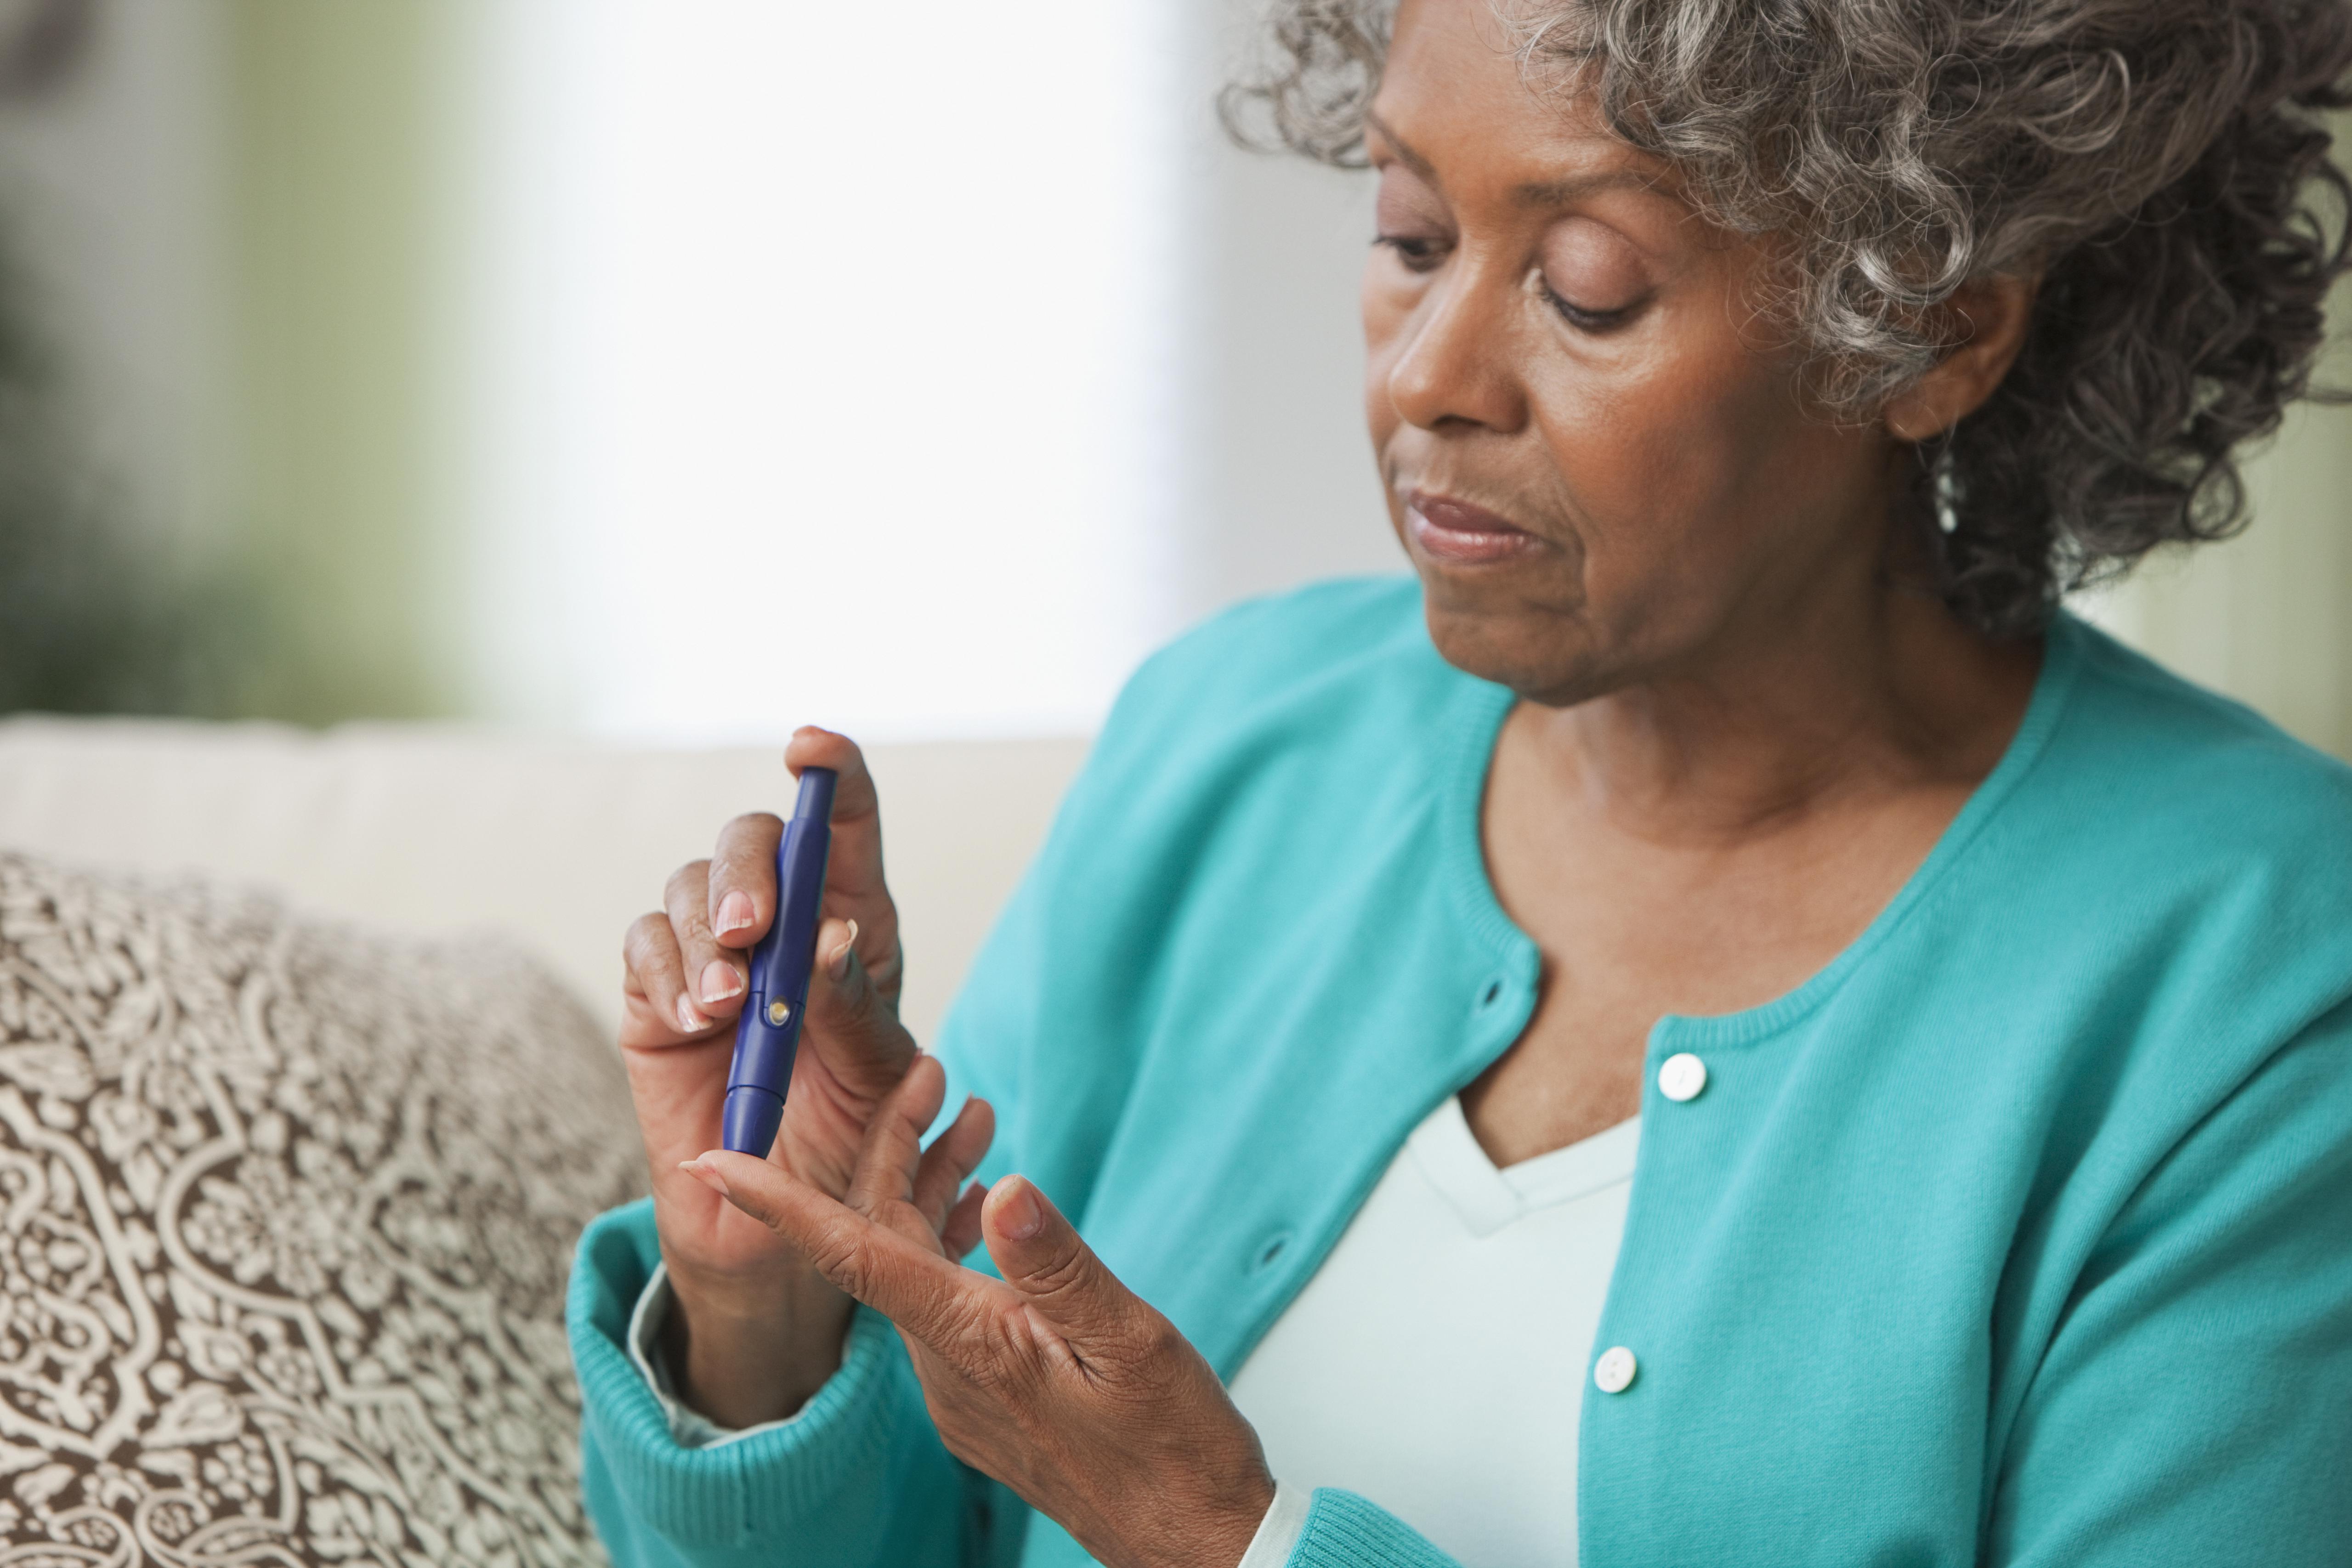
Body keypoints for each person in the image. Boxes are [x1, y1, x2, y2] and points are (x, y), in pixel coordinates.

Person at [566, 0, 2352, 1563]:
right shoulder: (1230, 742)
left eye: (1585, 289)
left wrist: (1223, 1538)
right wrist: (773, 1309)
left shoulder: (2253, 977)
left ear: (1932, 328)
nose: (1425, 376)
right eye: (1408, 234)